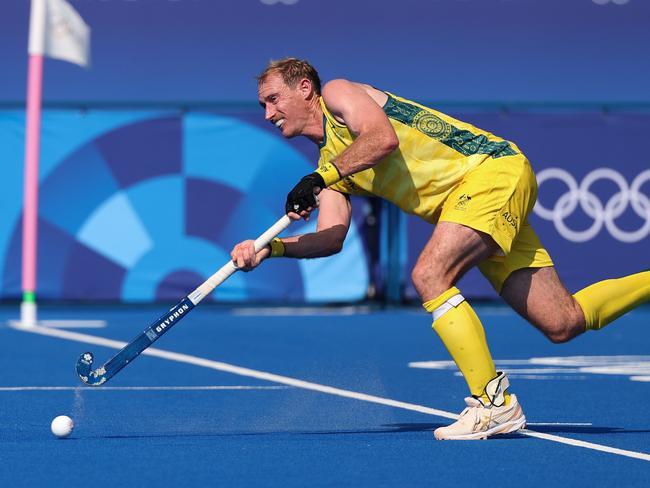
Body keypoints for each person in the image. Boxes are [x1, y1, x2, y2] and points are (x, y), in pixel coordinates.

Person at [231, 57, 650, 440]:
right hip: (471, 200)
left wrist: (320, 178)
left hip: (490, 173)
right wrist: (272, 249)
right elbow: (332, 237)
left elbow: (381, 138)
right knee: (564, 322)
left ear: (305, 88)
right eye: (263, 105)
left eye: (273, 99)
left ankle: (494, 404)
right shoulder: (331, 163)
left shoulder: (338, 95)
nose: (268, 113)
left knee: (430, 275)